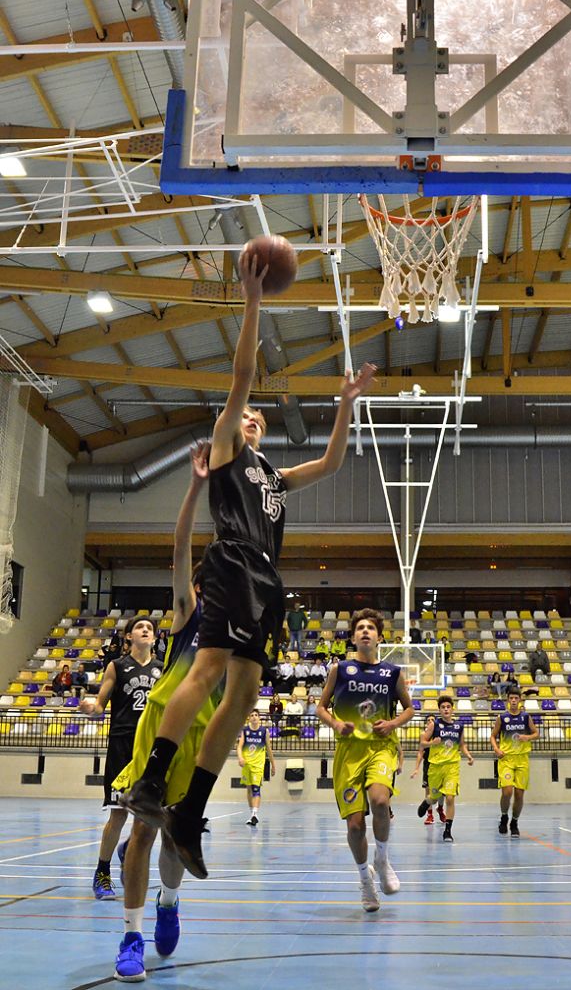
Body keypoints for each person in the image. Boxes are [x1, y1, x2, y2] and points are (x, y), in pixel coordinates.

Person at [122, 247, 376, 879]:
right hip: (234, 558)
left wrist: (346, 405)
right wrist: (255, 299)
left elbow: (333, 464)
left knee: (243, 696)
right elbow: (239, 380)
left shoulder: (275, 475)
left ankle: (189, 814)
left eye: (261, 419)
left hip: (268, 577)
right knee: (208, 668)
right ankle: (152, 783)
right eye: (249, 418)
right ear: (235, 429)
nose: (255, 420)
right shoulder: (230, 451)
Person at [110, 445, 214, 981]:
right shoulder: (190, 614)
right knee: (143, 830)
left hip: (202, 743)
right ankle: (130, 936)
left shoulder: (242, 629)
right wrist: (196, 488)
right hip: (161, 724)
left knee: (176, 836)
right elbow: (180, 547)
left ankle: (168, 901)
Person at [317, 608, 414, 912]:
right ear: (353, 636)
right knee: (356, 826)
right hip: (348, 753)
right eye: (360, 628)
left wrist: (393, 724)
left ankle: (382, 860)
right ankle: (365, 881)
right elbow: (321, 708)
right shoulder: (340, 669)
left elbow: (410, 709)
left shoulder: (392, 673)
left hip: (380, 747)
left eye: (370, 628)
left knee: (381, 801)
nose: (365, 631)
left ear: (379, 637)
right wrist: (335, 724)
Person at [79, 616, 160, 899]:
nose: (146, 630)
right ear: (129, 636)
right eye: (140, 627)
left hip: (151, 747)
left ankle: (128, 848)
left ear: (155, 637)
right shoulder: (116, 666)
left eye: (150, 628)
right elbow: (101, 704)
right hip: (122, 744)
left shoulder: (163, 669)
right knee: (118, 813)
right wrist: (92, 707)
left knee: (151, 814)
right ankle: (102, 872)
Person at [415, 696, 473, 841]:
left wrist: (468, 756)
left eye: (448, 706)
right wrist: (432, 743)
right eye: (443, 707)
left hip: (451, 767)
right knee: (435, 798)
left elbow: (462, 745)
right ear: (439, 710)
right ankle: (427, 801)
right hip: (435, 767)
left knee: (449, 798)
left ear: (452, 708)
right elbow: (422, 743)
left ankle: (447, 831)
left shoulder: (459, 726)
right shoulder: (434, 725)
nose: (446, 709)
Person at [491, 685, 539, 838]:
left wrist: (528, 737)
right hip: (506, 759)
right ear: (507, 700)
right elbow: (493, 736)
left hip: (522, 759)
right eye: (511, 698)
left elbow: (536, 733)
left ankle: (514, 822)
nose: (513, 701)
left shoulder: (526, 717)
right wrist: (496, 749)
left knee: (519, 794)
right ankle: (504, 816)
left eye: (516, 698)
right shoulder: (502, 717)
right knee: (507, 791)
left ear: (519, 700)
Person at [237, 708, 276, 826]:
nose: (254, 717)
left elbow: (269, 749)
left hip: (258, 765)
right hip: (247, 764)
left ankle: (255, 814)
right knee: (249, 789)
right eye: (252, 715)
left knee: (256, 789)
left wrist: (273, 765)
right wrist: (240, 758)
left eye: (256, 715)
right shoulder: (245, 731)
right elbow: (239, 747)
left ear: (259, 718)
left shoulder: (264, 732)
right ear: (249, 718)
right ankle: (252, 814)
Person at [410, 715, 445, 826]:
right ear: (426, 724)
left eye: (432, 720)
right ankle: (429, 815)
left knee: (441, 791)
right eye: (428, 720)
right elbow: (421, 752)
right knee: (428, 790)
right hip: (428, 764)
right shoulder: (423, 736)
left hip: (440, 764)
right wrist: (416, 768)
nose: (430, 722)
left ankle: (440, 809)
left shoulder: (440, 733)